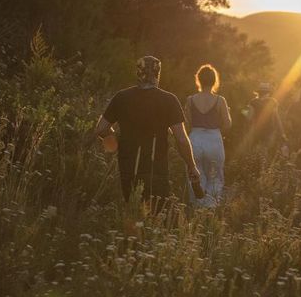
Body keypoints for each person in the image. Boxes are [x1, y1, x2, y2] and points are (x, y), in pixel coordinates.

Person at [92, 56, 201, 207]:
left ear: (138, 73)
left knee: (134, 211)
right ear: (158, 74)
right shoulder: (169, 100)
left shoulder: (121, 97)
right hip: (156, 169)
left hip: (128, 167)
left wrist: (117, 141)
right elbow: (181, 139)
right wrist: (191, 165)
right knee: (157, 217)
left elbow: (101, 129)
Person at [184, 64, 232, 207]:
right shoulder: (220, 100)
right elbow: (228, 123)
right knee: (215, 176)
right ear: (214, 81)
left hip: (195, 139)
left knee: (195, 176)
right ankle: (211, 208)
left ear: (198, 79)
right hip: (214, 139)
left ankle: (197, 206)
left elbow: (187, 123)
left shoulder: (190, 100)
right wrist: (217, 131)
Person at [245, 82, 287, 152]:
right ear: (268, 92)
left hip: (256, 130)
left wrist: (243, 112)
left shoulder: (253, 102)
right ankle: (263, 162)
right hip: (269, 131)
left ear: (258, 92)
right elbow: (277, 118)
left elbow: (249, 118)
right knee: (265, 150)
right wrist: (282, 133)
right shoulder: (272, 101)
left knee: (254, 151)